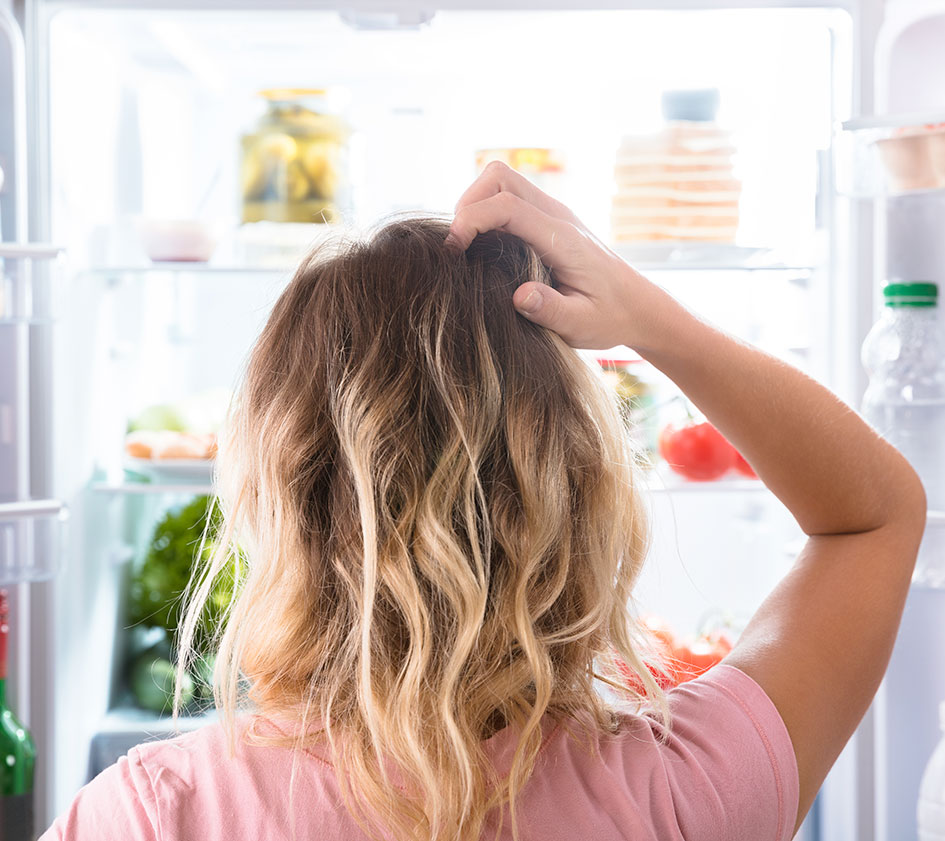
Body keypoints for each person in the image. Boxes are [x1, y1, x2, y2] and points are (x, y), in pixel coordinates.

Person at [41, 163, 925, 841]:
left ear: (276, 493)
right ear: (576, 486)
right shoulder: (683, 788)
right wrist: (645, 317)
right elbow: (875, 515)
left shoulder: (154, 813)